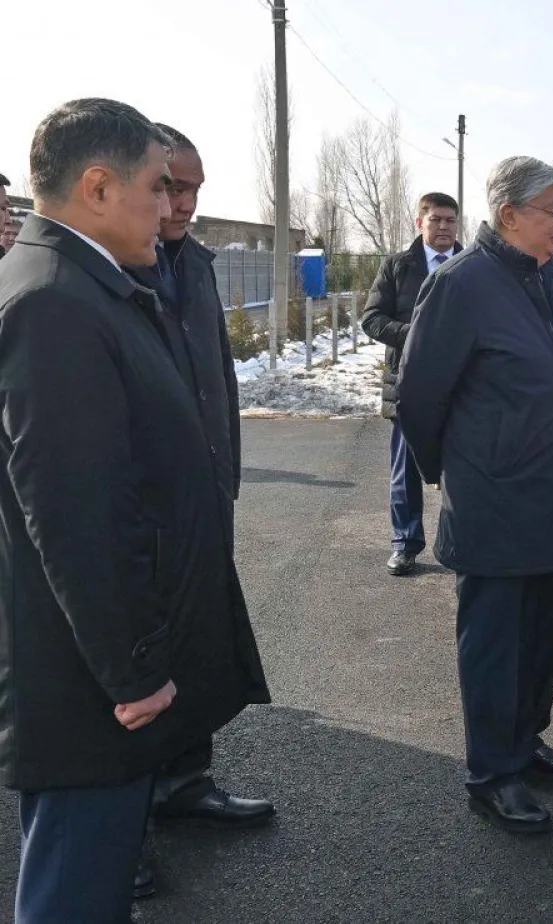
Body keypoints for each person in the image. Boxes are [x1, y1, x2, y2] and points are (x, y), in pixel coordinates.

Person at [0, 97, 270, 923]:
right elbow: (76, 513)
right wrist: (135, 670)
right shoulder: (52, 301)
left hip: (103, 665)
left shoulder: (89, 283)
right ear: (97, 187)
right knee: (76, 890)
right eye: (158, 187)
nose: (171, 206)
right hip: (89, 681)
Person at [398, 156, 553, 834]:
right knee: (493, 643)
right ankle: (492, 772)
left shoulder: (547, 279)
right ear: (510, 215)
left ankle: (525, 741)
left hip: (550, 490)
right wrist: (456, 474)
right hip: (492, 497)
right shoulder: (462, 283)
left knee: (542, 635)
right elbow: (420, 395)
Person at [124, 123, 275, 898]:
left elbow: (215, 371)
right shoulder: (113, 268)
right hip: (142, 509)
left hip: (204, 494)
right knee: (132, 658)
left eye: (193, 190)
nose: (182, 205)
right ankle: (122, 831)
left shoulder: (195, 262)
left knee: (199, 642)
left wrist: (227, 477)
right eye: (170, 187)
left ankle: (186, 783)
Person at [360, 191, 462, 577]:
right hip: (410, 384)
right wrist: (416, 335)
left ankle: (461, 542)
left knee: (463, 467)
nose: (443, 227)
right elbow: (371, 319)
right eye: (435, 219)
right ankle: (405, 544)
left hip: (462, 387)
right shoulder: (398, 267)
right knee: (405, 467)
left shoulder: (474, 266)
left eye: (450, 220)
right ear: (419, 223)